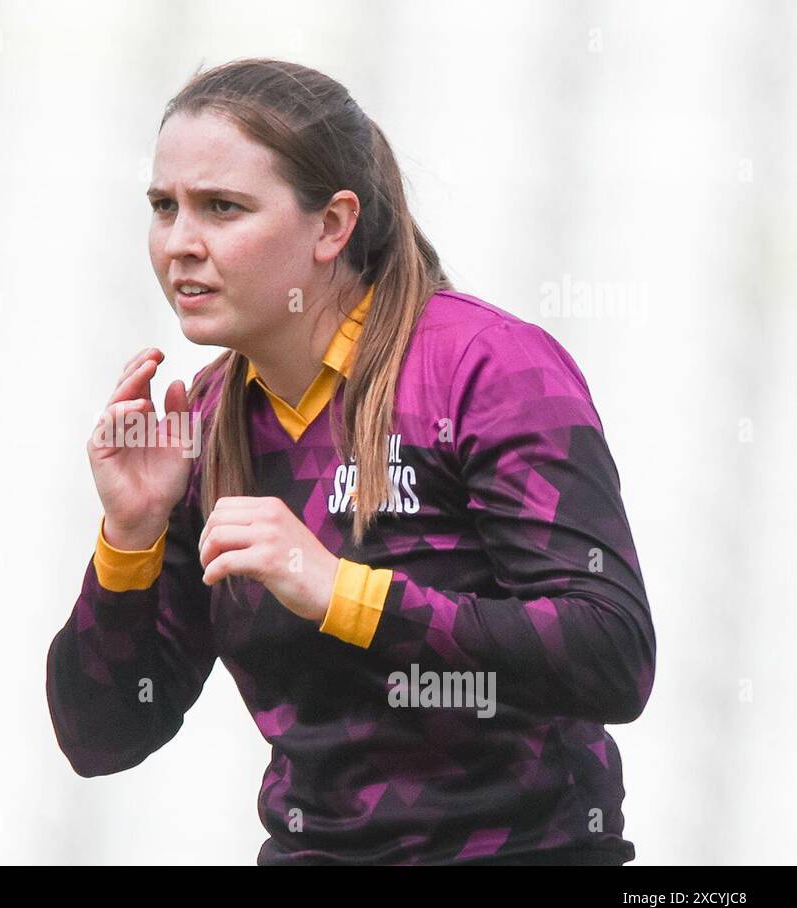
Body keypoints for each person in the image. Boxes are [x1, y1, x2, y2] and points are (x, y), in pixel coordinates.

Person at [45, 58, 656, 865]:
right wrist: (129, 536)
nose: (180, 244)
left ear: (332, 226)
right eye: (165, 208)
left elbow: (611, 655)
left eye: (222, 208)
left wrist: (344, 593)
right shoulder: (197, 418)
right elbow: (105, 735)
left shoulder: (489, 368)